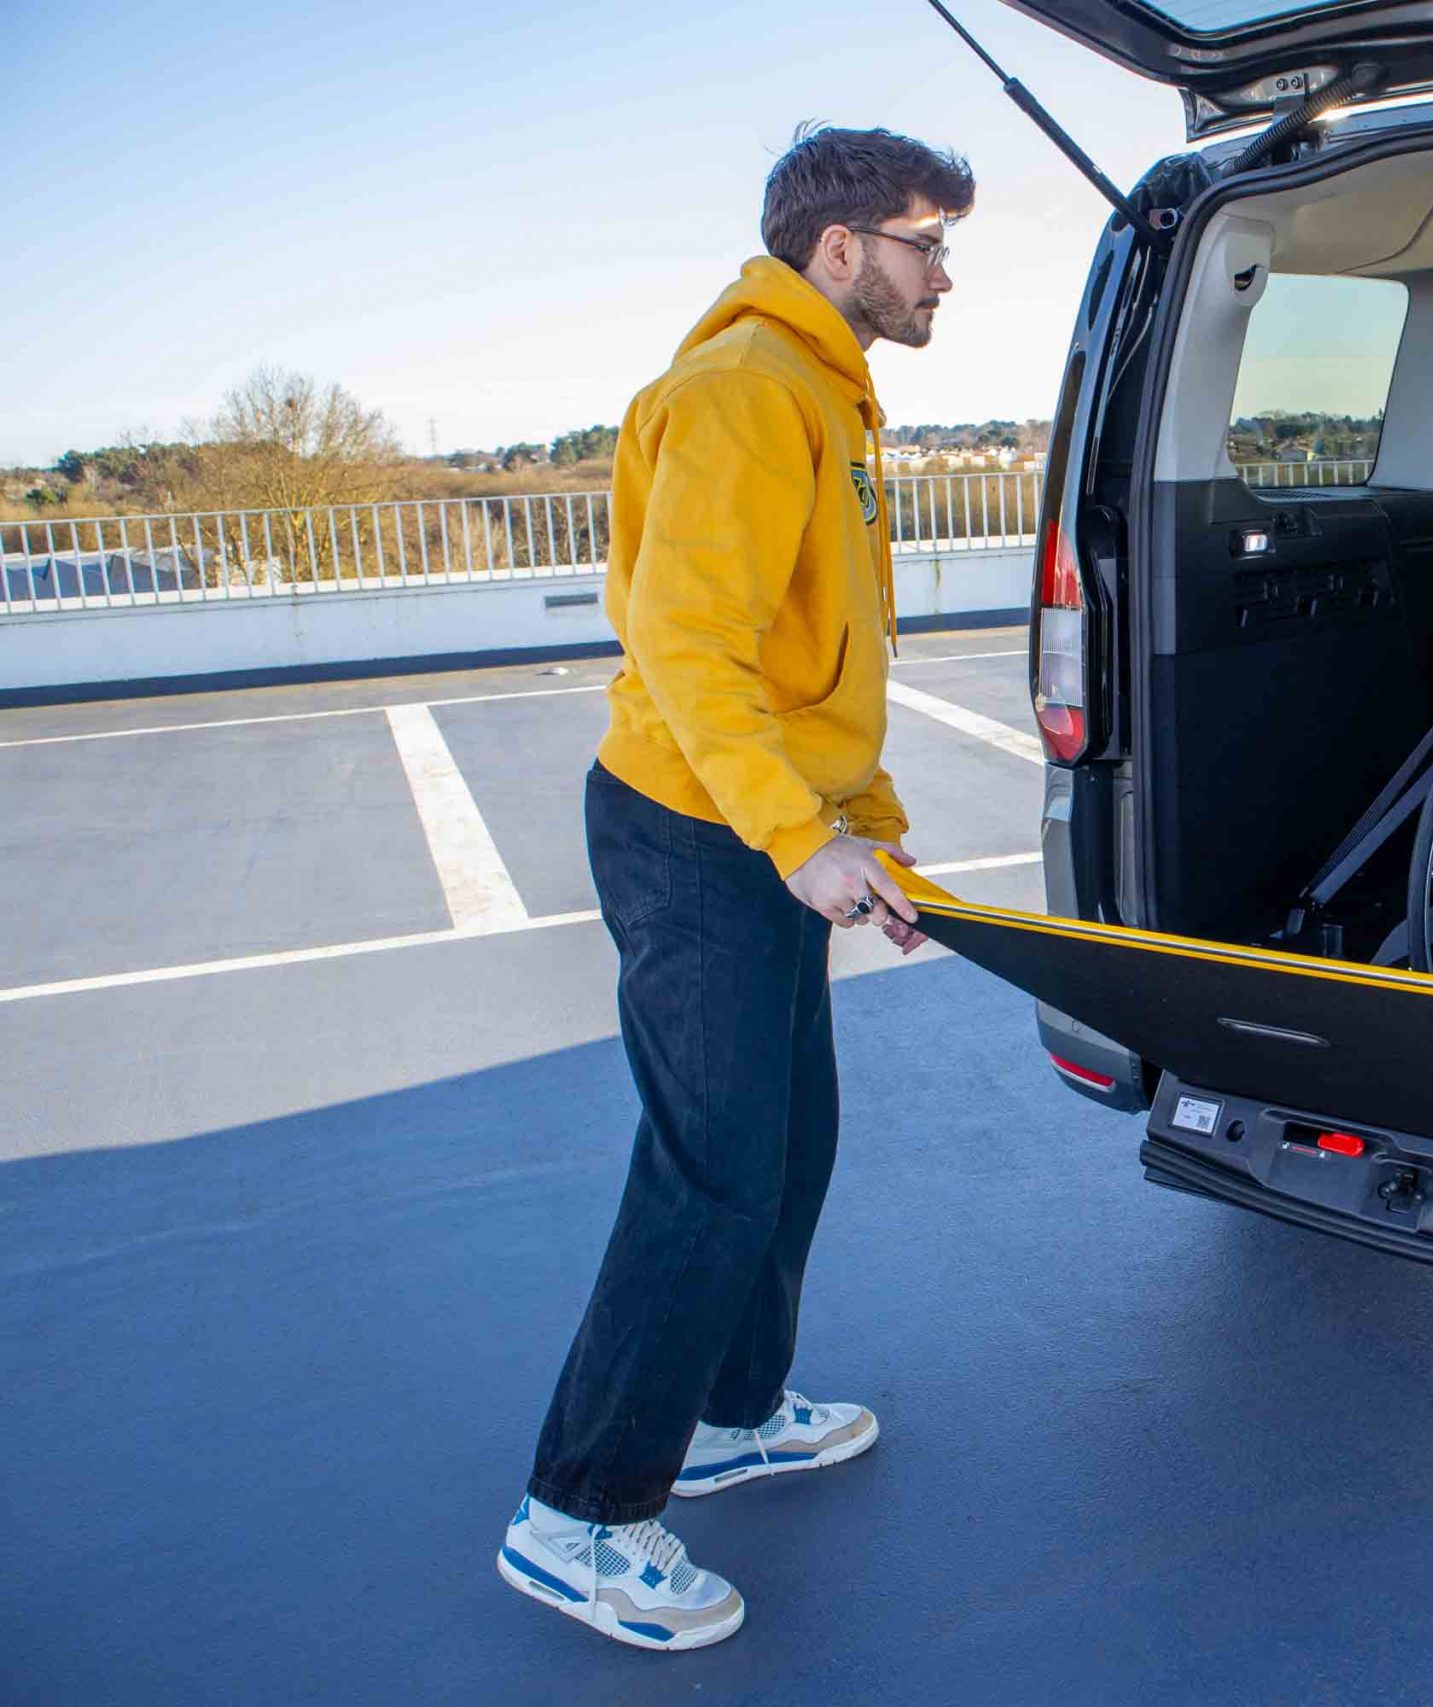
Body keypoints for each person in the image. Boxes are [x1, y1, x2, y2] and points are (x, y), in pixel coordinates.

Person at [496, 124, 973, 1653]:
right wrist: (794, 835)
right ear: (840, 249)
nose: (942, 274)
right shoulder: (743, 392)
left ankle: (729, 1410)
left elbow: (820, 658)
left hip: (759, 826)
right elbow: (690, 647)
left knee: (789, 1139)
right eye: (925, 243)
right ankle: (578, 1511)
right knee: (711, 1172)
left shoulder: (824, 393)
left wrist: (864, 826)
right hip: (695, 832)